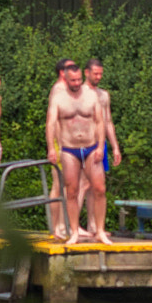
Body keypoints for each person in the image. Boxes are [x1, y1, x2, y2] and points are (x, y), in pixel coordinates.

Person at [46, 58, 112, 244]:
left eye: (78, 80)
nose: (76, 84)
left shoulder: (91, 96)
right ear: (65, 79)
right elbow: (51, 123)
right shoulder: (59, 98)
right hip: (69, 149)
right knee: (72, 191)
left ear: (81, 77)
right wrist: (52, 148)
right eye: (72, 81)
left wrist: (101, 146)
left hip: (91, 148)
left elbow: (100, 122)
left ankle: (99, 230)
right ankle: (73, 231)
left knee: (99, 188)